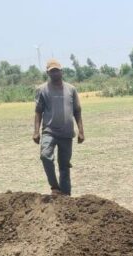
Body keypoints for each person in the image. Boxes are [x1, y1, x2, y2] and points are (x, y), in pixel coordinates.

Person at [33, 59, 84, 196]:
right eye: (52, 71)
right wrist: (36, 131)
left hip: (67, 133)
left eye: (57, 70)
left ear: (61, 71)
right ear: (48, 73)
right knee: (45, 156)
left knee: (64, 166)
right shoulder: (42, 89)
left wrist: (81, 131)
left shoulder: (71, 89)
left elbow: (77, 111)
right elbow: (38, 111)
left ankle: (66, 197)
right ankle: (54, 187)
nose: (55, 73)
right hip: (49, 131)